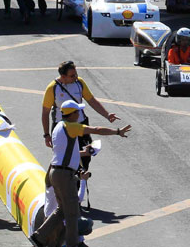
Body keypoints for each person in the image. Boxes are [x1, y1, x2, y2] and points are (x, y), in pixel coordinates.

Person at [29, 101, 132, 247]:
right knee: (72, 213)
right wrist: (117, 131)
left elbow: (65, 152)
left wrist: (84, 153)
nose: (80, 114)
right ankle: (73, 244)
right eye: (78, 112)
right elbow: (95, 129)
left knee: (62, 210)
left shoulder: (59, 126)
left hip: (55, 172)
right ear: (72, 114)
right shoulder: (71, 126)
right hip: (64, 175)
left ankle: (39, 236)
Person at [41, 61, 120, 162]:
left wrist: (107, 115)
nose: (75, 77)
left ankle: (82, 176)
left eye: (76, 74)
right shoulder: (53, 88)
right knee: (65, 157)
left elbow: (91, 100)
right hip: (62, 128)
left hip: (80, 124)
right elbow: (45, 112)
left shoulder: (79, 82)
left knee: (86, 155)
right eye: (72, 75)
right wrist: (46, 135)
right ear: (63, 76)